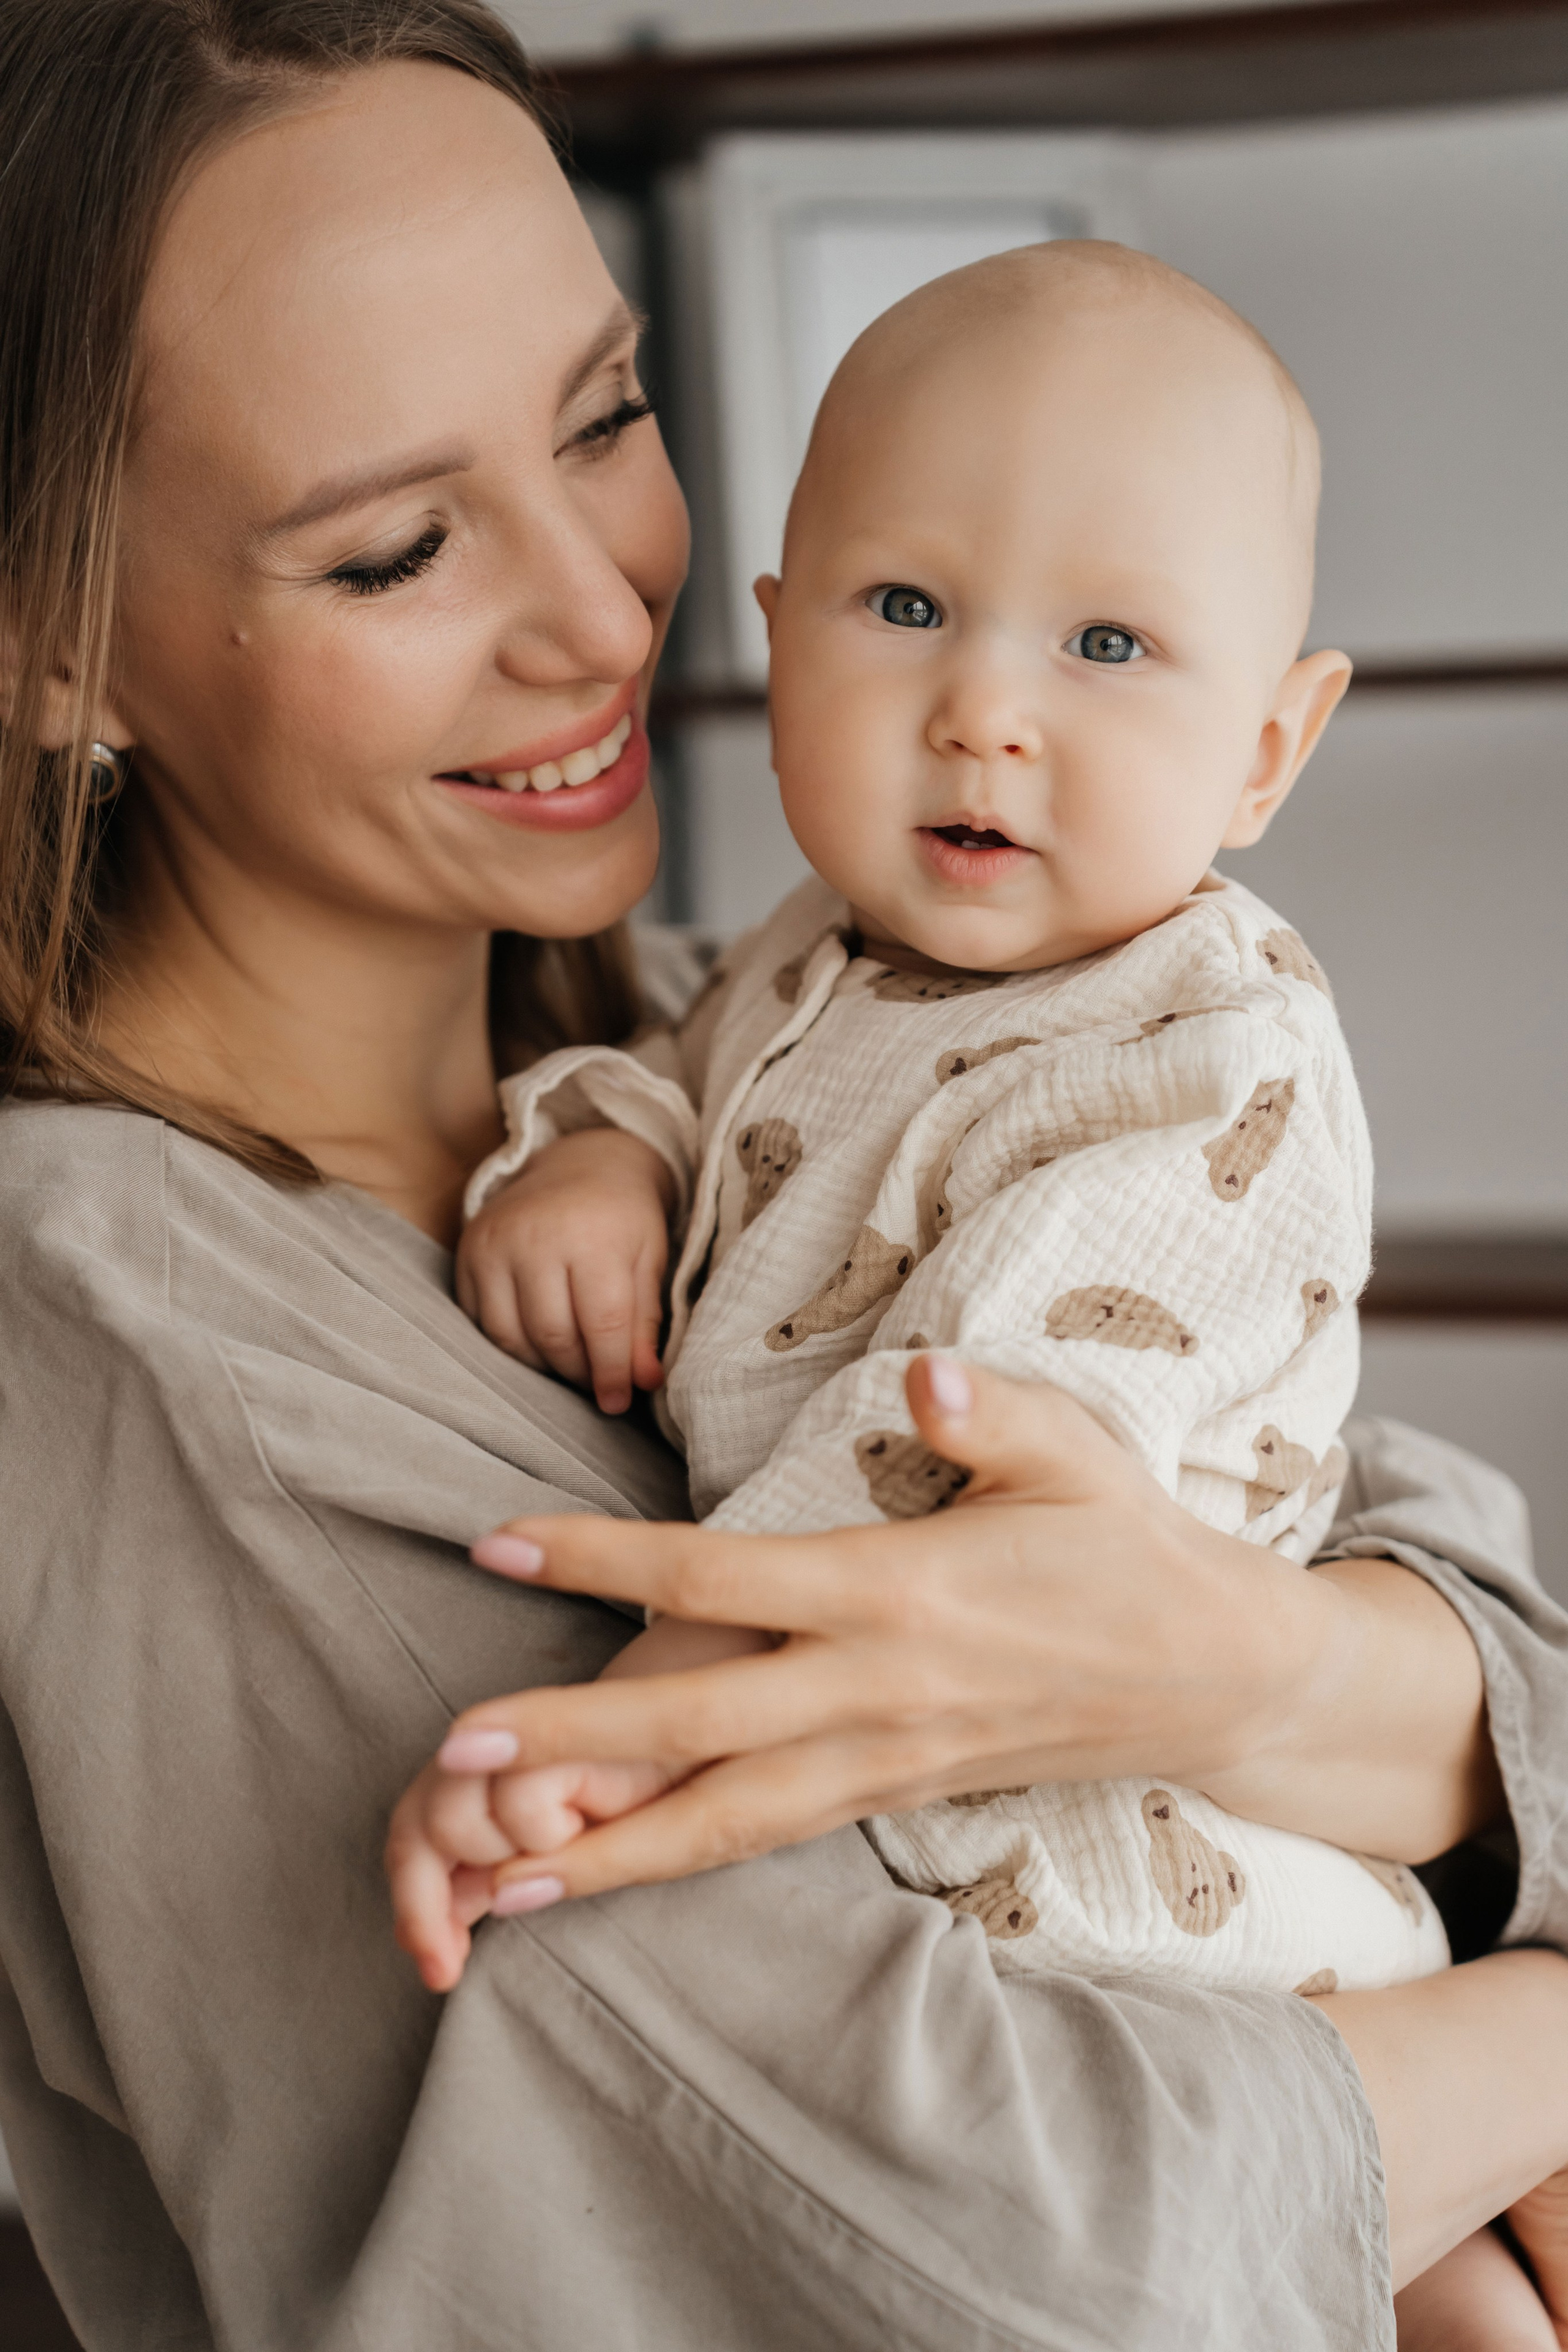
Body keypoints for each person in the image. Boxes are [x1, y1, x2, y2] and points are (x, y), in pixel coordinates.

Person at [0, 4, 1564, 2347]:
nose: (607, 606)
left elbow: (1414, 1549)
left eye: (610, 419)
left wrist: (1240, 1662)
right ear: (50, 643)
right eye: (400, 546)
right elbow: (1005, 2251)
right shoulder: (132, 1338)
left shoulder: (802, 1021)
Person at [439, 239, 1457, 1999]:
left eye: (1110, 644)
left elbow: (957, 1444)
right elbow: (688, 1069)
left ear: (1268, 753)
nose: (986, 715)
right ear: (775, 646)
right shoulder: (820, 951)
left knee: (1300, 2212)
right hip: (901, 1774)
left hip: (1130, 1855)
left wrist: (646, 1715)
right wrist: (601, 1144)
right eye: (905, 610)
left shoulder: (1206, 1058)